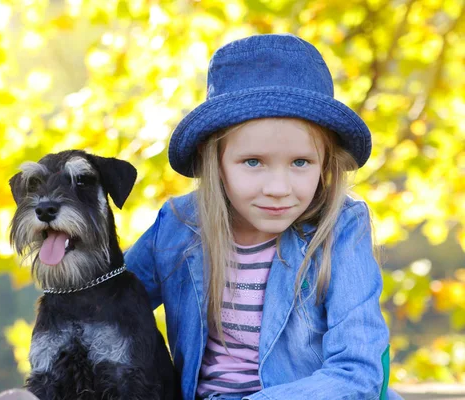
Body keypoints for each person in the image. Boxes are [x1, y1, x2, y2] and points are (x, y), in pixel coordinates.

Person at [124, 34, 403, 400]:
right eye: (253, 162)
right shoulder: (178, 225)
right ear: (217, 162)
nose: (278, 187)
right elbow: (106, 306)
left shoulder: (340, 228)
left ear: (325, 164)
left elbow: (357, 370)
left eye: (300, 163)